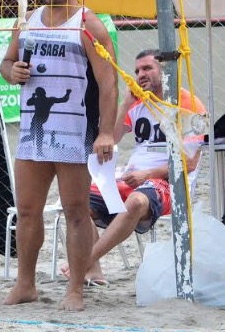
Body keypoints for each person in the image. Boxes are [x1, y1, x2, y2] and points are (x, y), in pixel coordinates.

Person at [0, 0, 118, 312]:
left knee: (76, 211)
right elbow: (6, 63)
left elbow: (108, 82)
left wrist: (106, 133)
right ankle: (26, 285)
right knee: (28, 210)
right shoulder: (26, 23)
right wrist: (12, 72)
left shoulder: (88, 24)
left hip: (75, 131)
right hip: (34, 131)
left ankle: (76, 290)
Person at [60, 49, 205, 285]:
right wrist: (126, 102)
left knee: (137, 201)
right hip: (132, 178)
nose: (140, 75)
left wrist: (147, 174)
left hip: (169, 183)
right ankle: (94, 272)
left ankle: (83, 261)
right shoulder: (138, 103)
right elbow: (113, 137)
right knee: (78, 202)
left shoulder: (190, 104)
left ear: (165, 70)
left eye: (147, 68)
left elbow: (190, 163)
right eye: (137, 71)